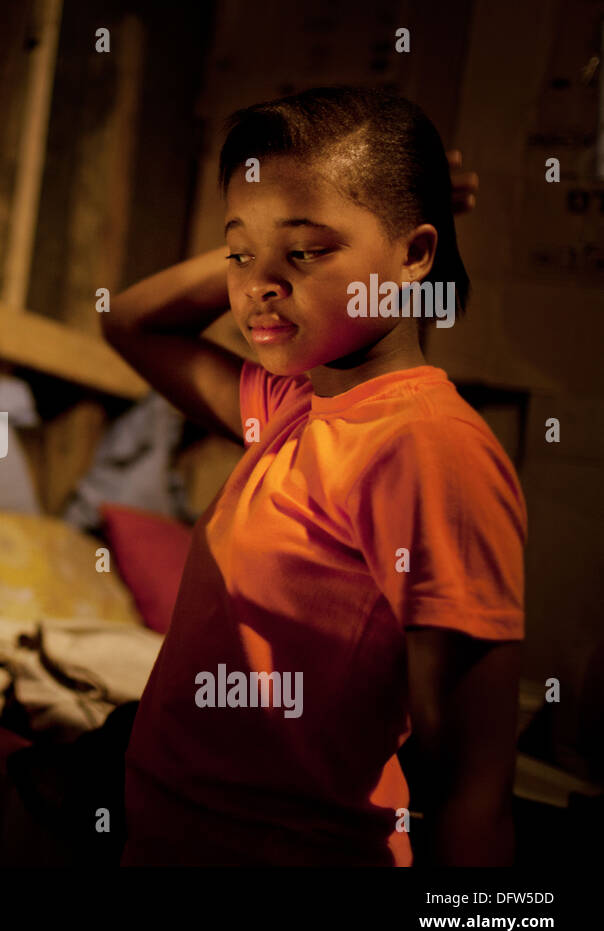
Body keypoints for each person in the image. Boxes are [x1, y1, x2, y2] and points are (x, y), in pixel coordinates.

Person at [105, 87, 523, 865]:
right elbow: (127, 321)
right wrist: (269, 234)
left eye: (308, 251)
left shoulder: (428, 446)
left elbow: (472, 790)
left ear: (415, 254)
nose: (258, 286)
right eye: (238, 256)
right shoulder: (292, 406)